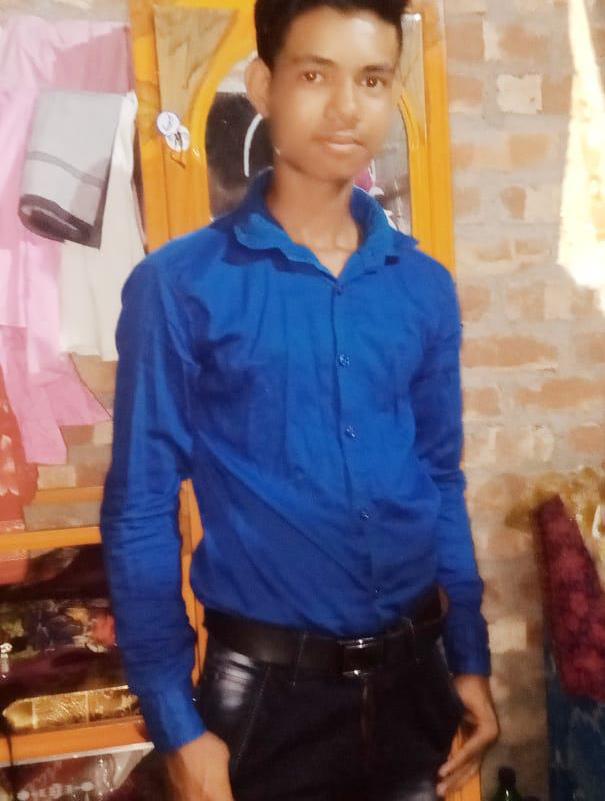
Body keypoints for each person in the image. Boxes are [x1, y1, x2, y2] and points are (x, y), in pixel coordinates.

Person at [100, 1, 500, 799]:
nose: (347, 108)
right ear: (264, 86)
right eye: (316, 75)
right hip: (266, 703)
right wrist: (176, 724)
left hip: (415, 685)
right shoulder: (179, 286)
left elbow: (438, 478)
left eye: (372, 80)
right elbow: (140, 508)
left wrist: (467, 657)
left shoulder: (421, 287)